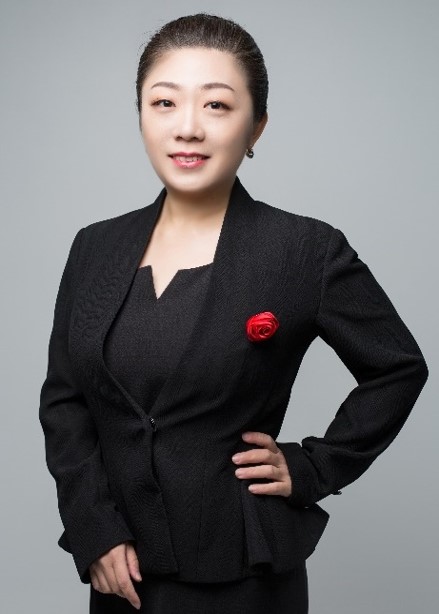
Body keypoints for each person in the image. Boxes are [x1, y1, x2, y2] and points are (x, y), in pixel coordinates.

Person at [38, 13, 429, 614]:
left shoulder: (304, 250)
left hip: (242, 570)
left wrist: (315, 466)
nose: (187, 127)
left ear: (256, 127)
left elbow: (398, 368)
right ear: (141, 115)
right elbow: (65, 401)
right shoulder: (95, 247)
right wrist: (94, 526)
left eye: (217, 105)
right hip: (120, 573)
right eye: (164, 102)